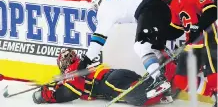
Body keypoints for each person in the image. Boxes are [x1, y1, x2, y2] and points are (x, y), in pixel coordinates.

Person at [77, 0, 184, 104]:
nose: (97, 10)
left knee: (141, 46)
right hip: (162, 8)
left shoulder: (105, 7)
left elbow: (98, 38)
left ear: (99, 1)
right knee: (154, 47)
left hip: (148, 9)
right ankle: (168, 82)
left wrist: (86, 60)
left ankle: (159, 79)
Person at [32, 49, 178, 106]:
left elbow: (72, 91)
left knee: (138, 98)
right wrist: (56, 85)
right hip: (116, 75)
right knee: (145, 85)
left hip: (108, 83)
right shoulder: (81, 65)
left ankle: (163, 82)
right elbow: (70, 85)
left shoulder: (73, 69)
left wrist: (48, 95)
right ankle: (167, 72)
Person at [165, 0, 217, 106]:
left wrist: (198, 27)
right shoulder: (174, 3)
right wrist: (159, 36)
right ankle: (213, 94)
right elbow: (176, 29)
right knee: (181, 80)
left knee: (213, 77)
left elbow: (212, 11)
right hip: (192, 44)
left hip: (208, 40)